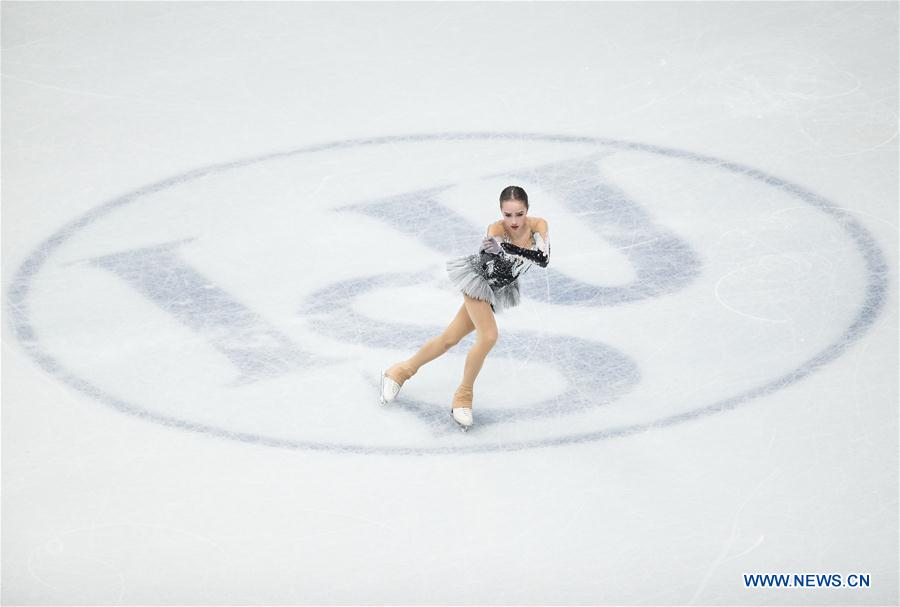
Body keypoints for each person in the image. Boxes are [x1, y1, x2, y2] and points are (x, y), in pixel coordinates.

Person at [379, 185, 551, 431]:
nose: (514, 221)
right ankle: (463, 396)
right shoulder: (495, 229)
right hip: (478, 283)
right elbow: (492, 262)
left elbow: (543, 259)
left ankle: (399, 371)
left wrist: (507, 249)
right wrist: (501, 250)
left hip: (497, 290)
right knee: (489, 336)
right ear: (501, 212)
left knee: (449, 339)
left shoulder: (539, 225)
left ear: (527, 210)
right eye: (508, 214)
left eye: (519, 214)